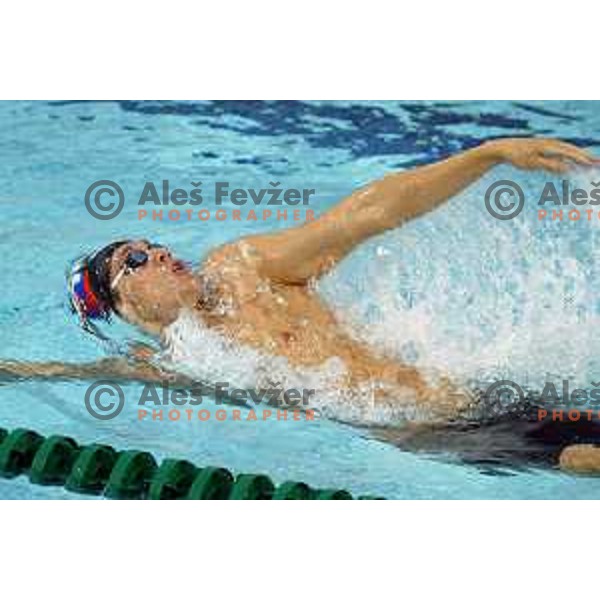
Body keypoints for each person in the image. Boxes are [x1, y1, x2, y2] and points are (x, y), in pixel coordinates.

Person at [2, 137, 600, 473]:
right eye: (133, 262)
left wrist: (487, 155)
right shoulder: (175, 366)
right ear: (123, 307)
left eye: (152, 245)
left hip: (481, 398)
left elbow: (368, 212)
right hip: (436, 438)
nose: (157, 253)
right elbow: (53, 373)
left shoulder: (246, 269)